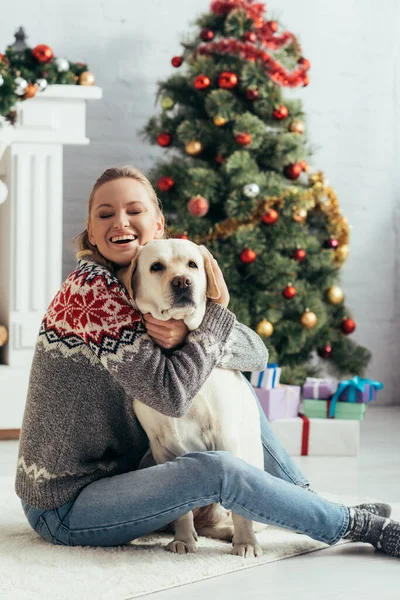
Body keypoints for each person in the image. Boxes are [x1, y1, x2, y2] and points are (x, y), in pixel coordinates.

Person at [15, 166, 399, 557]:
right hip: (66, 503)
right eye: (105, 214)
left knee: (232, 385)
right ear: (91, 231)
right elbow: (170, 396)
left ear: (158, 224)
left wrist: (188, 333)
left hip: (123, 472)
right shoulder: (94, 291)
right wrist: (209, 319)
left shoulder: (149, 279)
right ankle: (353, 525)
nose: (121, 222)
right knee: (216, 468)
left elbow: (254, 354)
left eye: (134, 210)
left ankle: (304, 503)